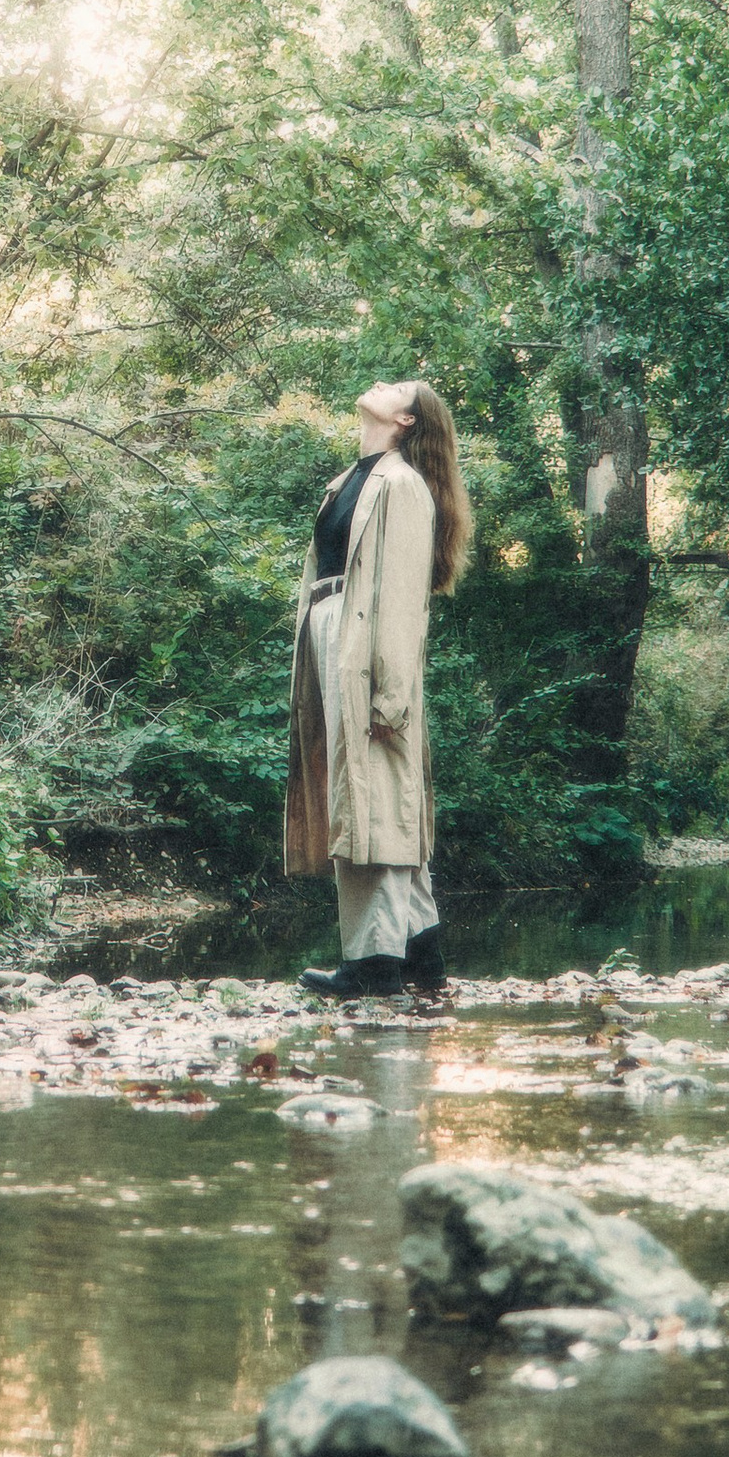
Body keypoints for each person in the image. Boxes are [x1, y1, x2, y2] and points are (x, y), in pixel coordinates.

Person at [283, 378, 472, 997]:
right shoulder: (350, 479)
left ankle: (372, 964)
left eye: (398, 387)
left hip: (364, 650)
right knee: (374, 796)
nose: (380, 383)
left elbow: (399, 605)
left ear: (407, 421)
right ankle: (421, 955)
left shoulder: (404, 486)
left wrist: (389, 695)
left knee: (369, 801)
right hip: (329, 631)